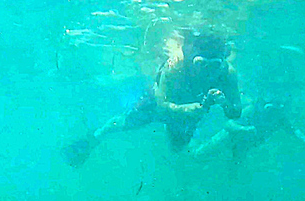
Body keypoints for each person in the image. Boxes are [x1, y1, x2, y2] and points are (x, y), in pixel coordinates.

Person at [63, 32, 243, 167]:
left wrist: (224, 103)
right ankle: (93, 138)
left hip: (188, 111)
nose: (206, 71)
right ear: (190, 58)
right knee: (127, 120)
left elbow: (235, 112)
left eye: (214, 65)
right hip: (159, 102)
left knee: (177, 148)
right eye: (201, 64)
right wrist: (183, 109)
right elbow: (161, 104)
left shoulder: (227, 74)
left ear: (222, 62)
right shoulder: (175, 65)